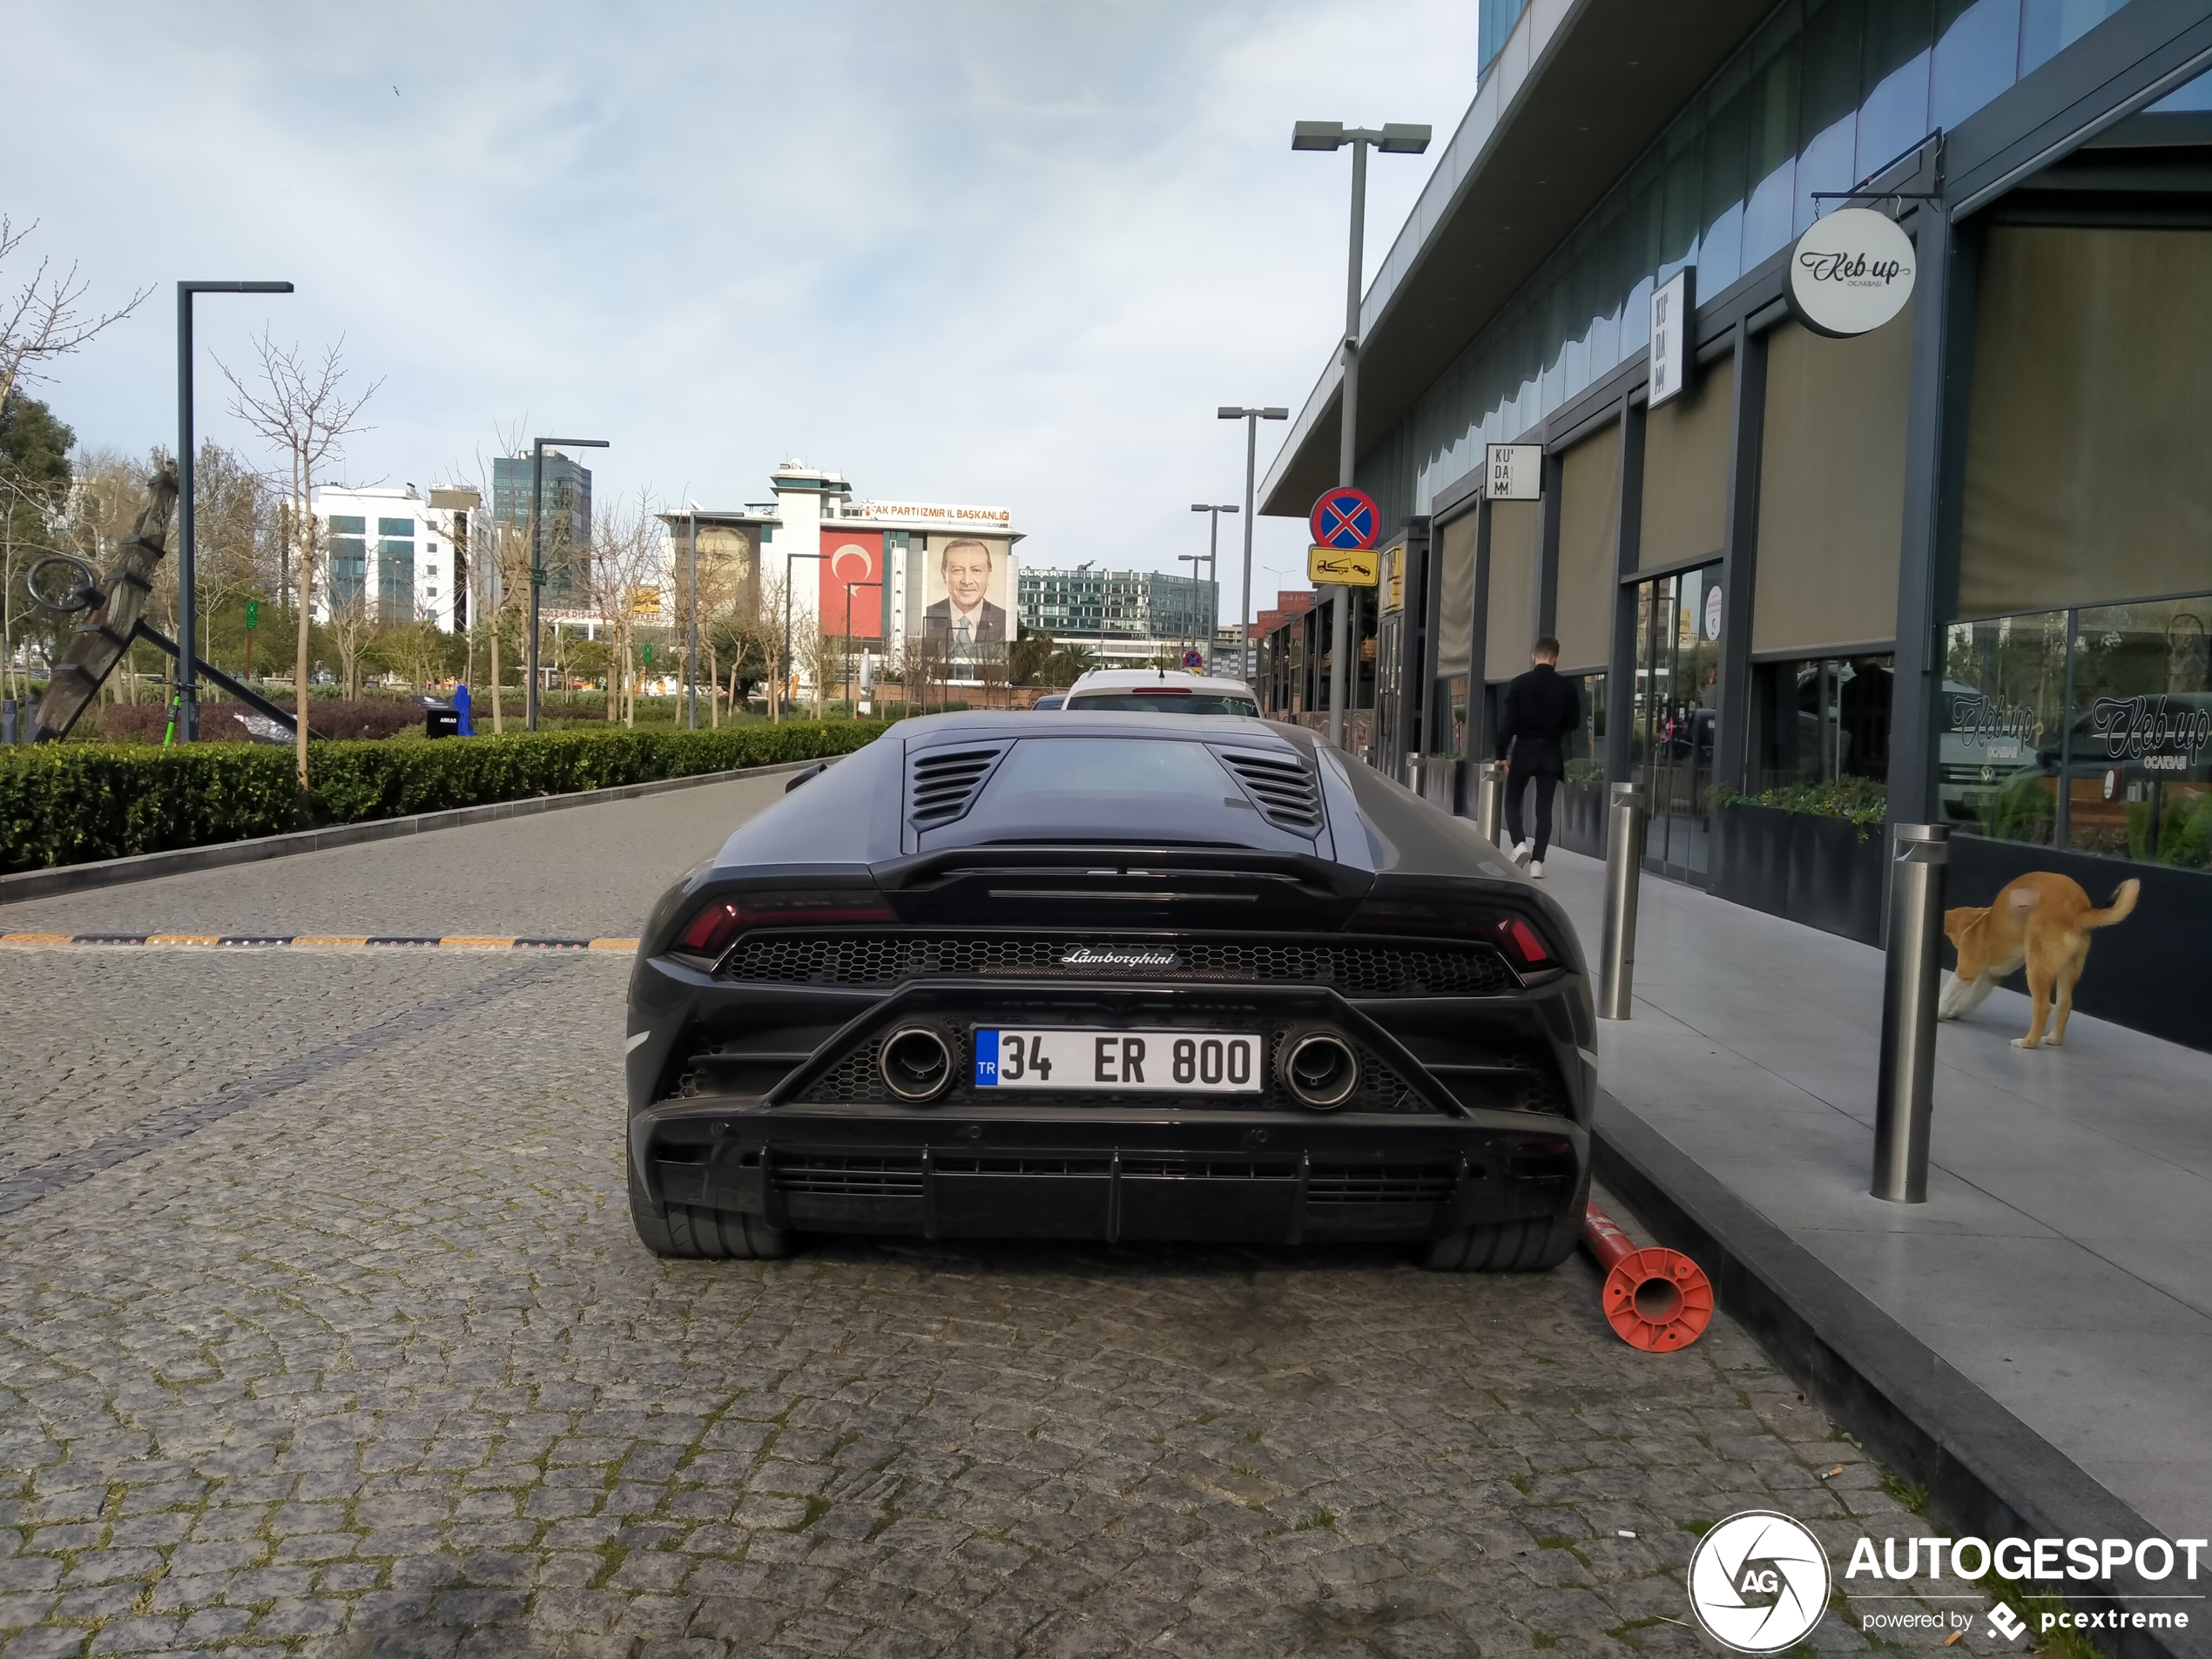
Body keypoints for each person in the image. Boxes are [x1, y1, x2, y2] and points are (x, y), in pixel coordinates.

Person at [1494, 637, 1581, 879]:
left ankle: (1519, 844)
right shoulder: (1568, 687)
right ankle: (1538, 862)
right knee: (1544, 808)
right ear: (1557, 658)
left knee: (1512, 800)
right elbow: (1574, 723)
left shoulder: (1519, 684)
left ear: (1534, 655)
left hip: (1524, 749)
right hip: (1551, 751)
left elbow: (1507, 723)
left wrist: (1501, 753)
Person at [920, 538, 1007, 653]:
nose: (967, 581)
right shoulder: (926, 617)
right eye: (958, 570)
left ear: (989, 575)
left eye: (976, 570)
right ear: (944, 575)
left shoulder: (1004, 620)